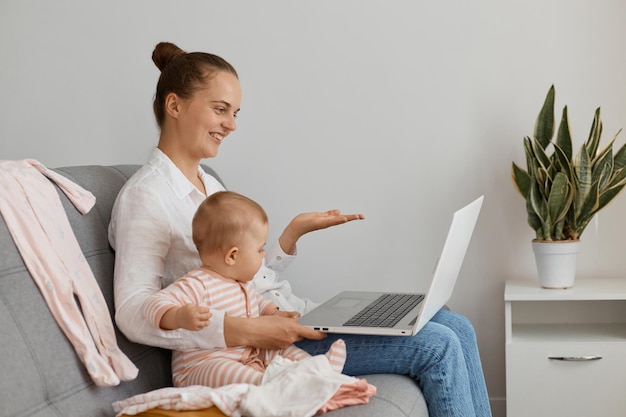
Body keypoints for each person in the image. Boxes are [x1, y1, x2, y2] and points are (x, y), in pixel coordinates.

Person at [109, 41, 492, 417]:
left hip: (287, 317)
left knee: (456, 324)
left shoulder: (210, 184)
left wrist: (291, 236)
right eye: (221, 110)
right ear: (175, 105)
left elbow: (242, 277)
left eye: (236, 112)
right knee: (438, 345)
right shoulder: (146, 196)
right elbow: (131, 311)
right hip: (259, 350)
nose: (231, 124)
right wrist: (244, 331)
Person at [143, 190, 347, 387]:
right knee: (221, 368)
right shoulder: (197, 283)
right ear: (232, 256)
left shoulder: (242, 283)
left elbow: (258, 302)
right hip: (202, 367)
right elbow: (154, 304)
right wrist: (178, 316)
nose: (263, 255)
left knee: (283, 350)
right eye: (259, 249)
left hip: (249, 356)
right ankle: (271, 384)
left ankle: (319, 370)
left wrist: (273, 312)